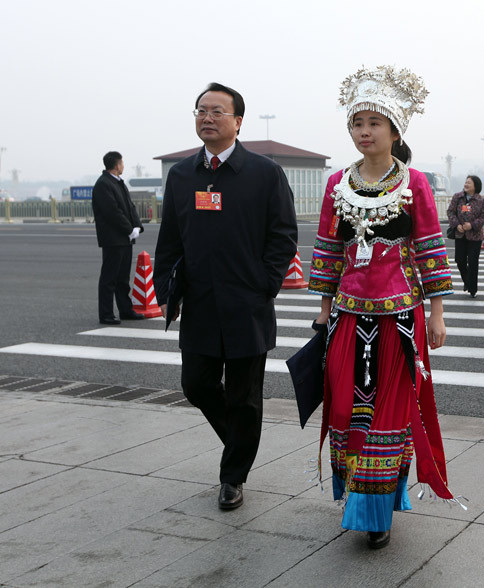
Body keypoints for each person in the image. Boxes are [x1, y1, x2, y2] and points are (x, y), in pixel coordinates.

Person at [307, 66, 456, 550]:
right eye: (357, 122)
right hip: (348, 317)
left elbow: (432, 248)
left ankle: (378, 512)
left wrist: (436, 312)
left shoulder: (414, 182)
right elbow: (328, 252)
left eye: (374, 122)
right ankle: (356, 495)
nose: (364, 131)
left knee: (390, 413)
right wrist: (325, 310)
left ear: (395, 130)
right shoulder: (336, 184)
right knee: (349, 411)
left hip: (399, 320)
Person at [153, 83, 298, 511]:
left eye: (217, 111)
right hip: (199, 303)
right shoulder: (181, 176)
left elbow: (283, 238)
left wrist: (262, 286)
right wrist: (167, 290)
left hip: (246, 305)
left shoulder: (264, 173)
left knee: (244, 396)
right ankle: (239, 443)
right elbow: (169, 243)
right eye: (201, 110)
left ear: (238, 121)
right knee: (195, 384)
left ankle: (233, 476)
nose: (207, 117)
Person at [91, 151, 145, 325]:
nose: (123, 165)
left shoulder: (119, 183)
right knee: (109, 278)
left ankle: (125, 310)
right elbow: (112, 211)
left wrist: (137, 226)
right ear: (116, 164)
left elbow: (130, 207)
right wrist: (129, 229)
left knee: (123, 278)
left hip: (125, 238)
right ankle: (106, 314)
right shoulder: (103, 184)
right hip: (113, 238)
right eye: (122, 162)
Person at [447, 175, 484, 297]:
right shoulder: (457, 197)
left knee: (473, 262)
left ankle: (473, 289)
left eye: (469, 183)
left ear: (476, 186)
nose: (466, 184)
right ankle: (467, 281)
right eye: (466, 182)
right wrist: (456, 225)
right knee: (459, 260)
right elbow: (450, 212)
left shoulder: (481, 200)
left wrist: (472, 225)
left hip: (475, 236)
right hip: (460, 235)